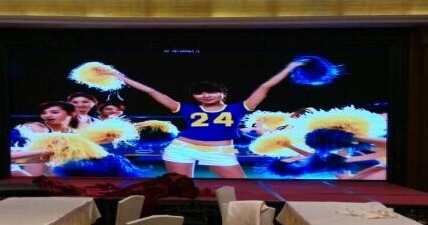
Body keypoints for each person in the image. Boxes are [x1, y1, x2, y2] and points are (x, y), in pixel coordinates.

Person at [105, 62, 302, 178]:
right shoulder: (187, 108)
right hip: (181, 149)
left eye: (211, 92)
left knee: (243, 189)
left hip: (220, 152)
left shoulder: (238, 108)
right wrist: (120, 77)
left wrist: (289, 68)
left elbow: (265, 87)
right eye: (200, 93)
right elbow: (152, 91)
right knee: (181, 190)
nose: (206, 96)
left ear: (223, 93)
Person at [12, 101, 79, 176]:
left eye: (55, 112)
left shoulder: (76, 134)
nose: (47, 115)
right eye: (44, 113)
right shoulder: (31, 129)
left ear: (71, 113)